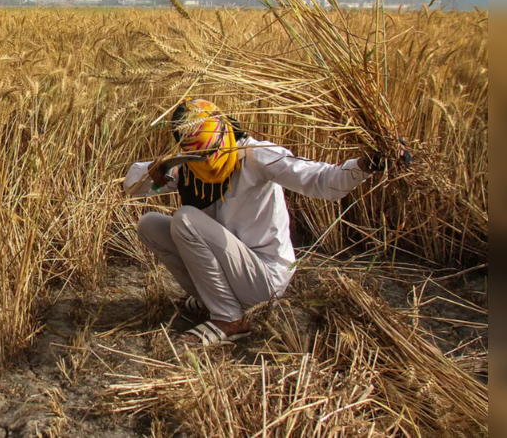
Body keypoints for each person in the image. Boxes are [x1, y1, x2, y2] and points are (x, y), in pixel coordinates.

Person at [124, 99, 407, 346]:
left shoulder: (256, 156)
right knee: (149, 224)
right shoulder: (189, 167)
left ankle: (229, 319)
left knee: (185, 219)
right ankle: (212, 300)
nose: (209, 162)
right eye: (200, 156)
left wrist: (365, 164)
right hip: (232, 271)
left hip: (264, 279)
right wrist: (155, 172)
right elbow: (131, 187)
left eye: (213, 152)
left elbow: (323, 182)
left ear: (225, 133)